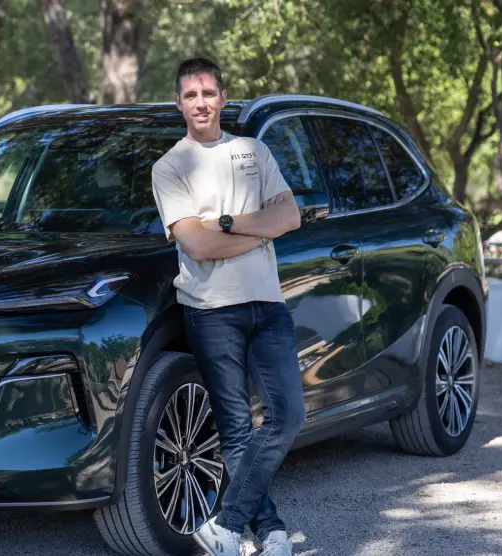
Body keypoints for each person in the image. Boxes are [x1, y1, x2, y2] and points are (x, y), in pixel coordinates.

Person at [149, 57, 306, 556]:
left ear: (223, 98)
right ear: (179, 103)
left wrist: (225, 223)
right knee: (236, 430)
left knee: (288, 415)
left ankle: (226, 525)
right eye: (191, 95)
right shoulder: (170, 166)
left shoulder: (253, 150)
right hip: (212, 309)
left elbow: (290, 215)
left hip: (268, 305)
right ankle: (271, 532)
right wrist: (258, 230)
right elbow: (197, 246)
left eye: (208, 93)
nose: (201, 103)